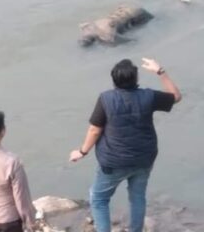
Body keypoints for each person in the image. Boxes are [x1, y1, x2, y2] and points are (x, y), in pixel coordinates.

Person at [68, 58, 182, 232]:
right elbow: (176, 97)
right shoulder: (148, 96)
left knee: (98, 199)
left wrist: (82, 152)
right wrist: (160, 71)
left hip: (114, 162)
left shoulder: (106, 99)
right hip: (144, 158)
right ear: (136, 79)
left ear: (114, 80)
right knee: (137, 197)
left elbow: (94, 130)